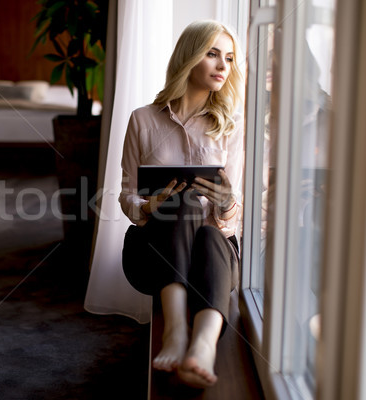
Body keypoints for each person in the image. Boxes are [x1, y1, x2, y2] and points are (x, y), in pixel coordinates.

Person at [119, 20, 244, 388]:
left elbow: (236, 221)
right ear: (189, 57)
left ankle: (203, 345)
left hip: (213, 253)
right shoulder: (143, 120)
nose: (223, 66)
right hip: (152, 252)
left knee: (207, 229)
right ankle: (174, 331)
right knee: (184, 201)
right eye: (212, 54)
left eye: (230, 58)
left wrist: (227, 205)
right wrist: (148, 206)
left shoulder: (232, 128)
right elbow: (126, 194)